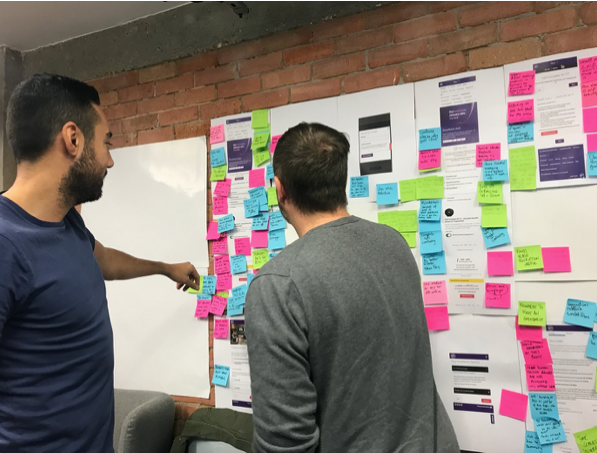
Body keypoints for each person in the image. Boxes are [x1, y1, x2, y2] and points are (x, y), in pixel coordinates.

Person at [0, 74, 200, 452]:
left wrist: (163, 267)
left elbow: (103, 259)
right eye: (106, 141)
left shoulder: (66, 223)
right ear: (72, 139)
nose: (109, 160)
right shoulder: (7, 244)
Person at [245, 123, 459, 453]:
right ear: (339, 181)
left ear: (280, 189)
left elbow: (284, 445)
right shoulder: (394, 244)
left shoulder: (277, 286)